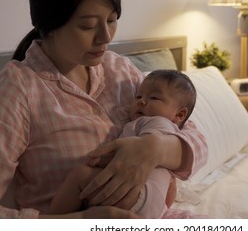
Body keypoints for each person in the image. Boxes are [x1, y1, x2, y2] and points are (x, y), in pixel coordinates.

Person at [0, 0, 207, 219]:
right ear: (50, 23)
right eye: (88, 25)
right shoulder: (21, 90)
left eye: (112, 20)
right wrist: (78, 222)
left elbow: (195, 140)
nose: (106, 37)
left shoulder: (120, 70)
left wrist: (154, 149)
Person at [48, 70, 197, 218]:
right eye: (138, 96)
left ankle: (52, 221)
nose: (141, 101)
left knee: (80, 175)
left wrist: (99, 160)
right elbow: (171, 185)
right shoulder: (172, 138)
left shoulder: (156, 122)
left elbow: (139, 152)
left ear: (179, 114)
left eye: (154, 98)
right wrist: (160, 210)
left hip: (136, 192)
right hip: (152, 208)